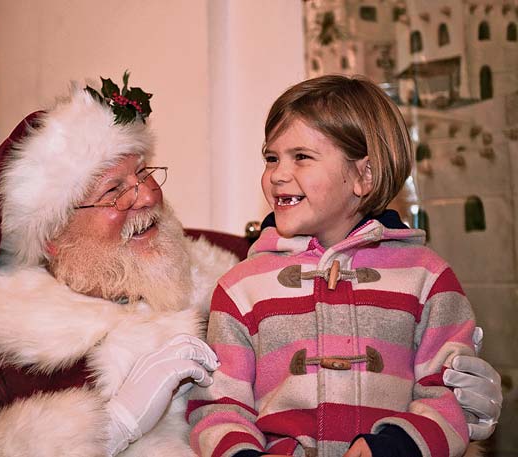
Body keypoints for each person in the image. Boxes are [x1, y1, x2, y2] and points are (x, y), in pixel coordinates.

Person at [0, 74, 501, 457]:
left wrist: (453, 409)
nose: (146, 198)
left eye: (144, 175)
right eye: (113, 190)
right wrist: (109, 426)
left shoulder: (223, 266)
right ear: (51, 237)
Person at [187, 75, 498, 457]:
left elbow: (448, 396)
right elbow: (219, 408)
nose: (278, 174)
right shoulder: (241, 288)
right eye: (271, 158)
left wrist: (394, 447)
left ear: (364, 176)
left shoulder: (428, 278)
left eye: (301, 156)